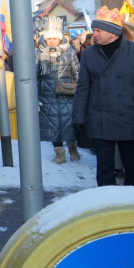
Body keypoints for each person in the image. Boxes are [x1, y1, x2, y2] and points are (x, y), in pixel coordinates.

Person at [72, 6, 134, 186]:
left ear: (113, 32)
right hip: (100, 119)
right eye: (94, 30)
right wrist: (79, 119)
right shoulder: (89, 54)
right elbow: (82, 89)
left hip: (130, 119)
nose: (95, 35)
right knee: (104, 170)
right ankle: (106, 205)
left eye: (98, 30)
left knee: (133, 169)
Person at [36, 21, 80, 164]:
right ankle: (60, 155)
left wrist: (80, 92)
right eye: (49, 38)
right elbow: (35, 76)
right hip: (47, 96)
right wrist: (35, 97)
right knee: (53, 126)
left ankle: (73, 150)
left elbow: (77, 73)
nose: (52, 41)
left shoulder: (70, 52)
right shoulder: (39, 54)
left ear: (60, 38)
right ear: (45, 39)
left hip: (67, 95)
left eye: (55, 38)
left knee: (69, 124)